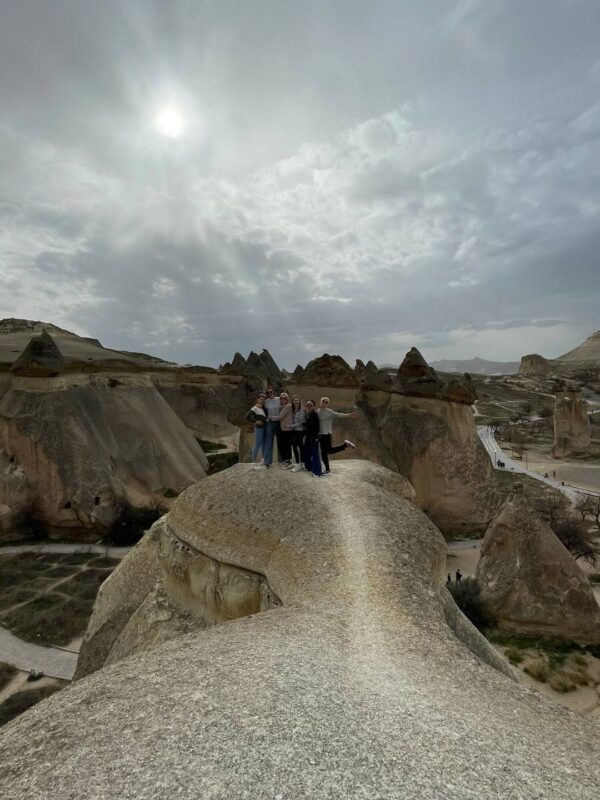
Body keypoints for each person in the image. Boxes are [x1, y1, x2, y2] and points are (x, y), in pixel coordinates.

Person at [317, 396, 358, 474]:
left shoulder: (329, 411)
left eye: (326, 402)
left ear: (327, 404)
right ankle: (327, 470)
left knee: (328, 451)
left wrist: (349, 415)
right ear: (320, 401)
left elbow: (339, 414)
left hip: (327, 434)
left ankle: (345, 445)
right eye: (323, 401)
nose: (324, 403)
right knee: (324, 453)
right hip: (320, 435)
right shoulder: (317, 411)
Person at [269, 392, 294, 468]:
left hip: (287, 429)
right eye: (281, 398)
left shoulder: (288, 406)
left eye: (285, 398)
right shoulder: (282, 406)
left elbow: (280, 417)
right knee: (282, 445)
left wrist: (271, 417)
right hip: (282, 428)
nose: (283, 399)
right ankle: (285, 461)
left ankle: (288, 462)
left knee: (286, 445)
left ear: (287, 399)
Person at [245, 394, 267, 470]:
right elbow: (247, 417)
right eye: (261, 399)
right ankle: (253, 464)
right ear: (257, 399)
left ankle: (263, 460)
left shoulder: (262, 408)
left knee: (263, 444)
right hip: (258, 429)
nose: (262, 400)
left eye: (263, 399)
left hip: (264, 429)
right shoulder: (254, 408)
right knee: (257, 444)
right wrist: (255, 421)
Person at [263, 386, 281, 468]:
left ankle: (281, 461)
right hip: (270, 422)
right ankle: (268, 462)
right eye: (268, 393)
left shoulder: (278, 399)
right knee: (269, 442)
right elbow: (266, 412)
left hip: (278, 422)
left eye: (271, 392)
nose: (269, 393)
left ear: (273, 392)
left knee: (280, 442)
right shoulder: (266, 401)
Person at [304, 400, 322, 477]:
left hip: (313, 437)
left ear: (314, 406)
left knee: (315, 455)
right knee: (307, 453)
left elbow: (317, 428)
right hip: (308, 437)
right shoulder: (309, 414)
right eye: (307, 405)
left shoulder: (314, 415)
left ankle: (317, 472)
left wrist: (315, 438)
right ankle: (310, 468)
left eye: (310, 405)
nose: (309, 406)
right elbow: (308, 425)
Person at [290, 395, 306, 472]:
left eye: (297, 400)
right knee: (295, 446)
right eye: (294, 400)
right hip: (295, 431)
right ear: (292, 402)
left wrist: (291, 426)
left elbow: (301, 422)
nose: (296, 401)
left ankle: (300, 463)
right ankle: (299, 463)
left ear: (300, 401)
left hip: (300, 431)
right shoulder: (293, 410)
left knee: (299, 446)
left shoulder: (302, 410)